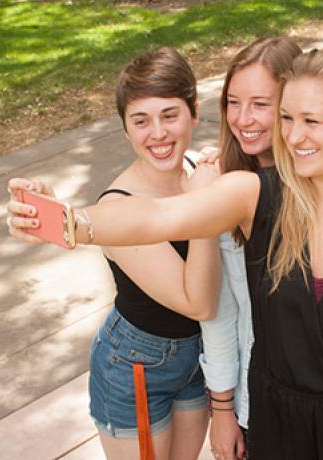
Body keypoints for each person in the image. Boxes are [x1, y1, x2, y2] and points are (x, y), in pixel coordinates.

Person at [7, 45, 323, 460]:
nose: (294, 136)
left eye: (311, 121)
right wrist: (68, 221)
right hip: (278, 428)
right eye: (287, 118)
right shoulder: (255, 195)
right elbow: (155, 217)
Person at [84, 47, 222, 460]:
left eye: (170, 115)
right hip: (136, 367)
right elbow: (199, 303)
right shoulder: (119, 207)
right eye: (141, 121)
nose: (157, 133)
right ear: (126, 130)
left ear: (194, 113)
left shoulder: (198, 170)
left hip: (196, 357)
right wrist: (205, 206)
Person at [196, 36, 301, 460]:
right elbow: (222, 313)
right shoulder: (224, 186)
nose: (242, 119)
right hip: (255, 403)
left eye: (260, 104)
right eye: (233, 103)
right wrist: (223, 409)